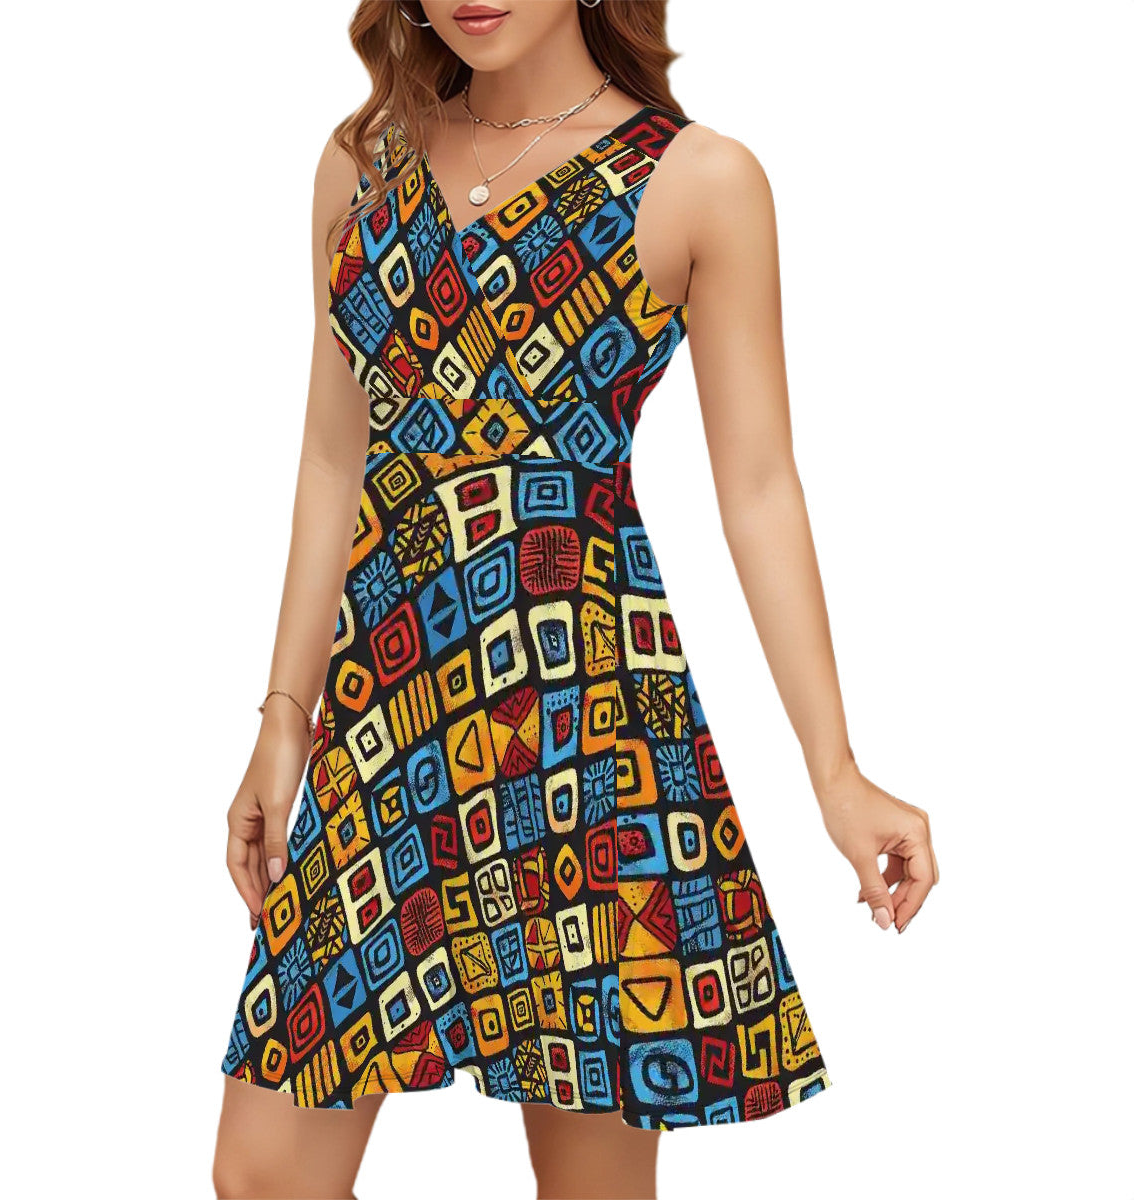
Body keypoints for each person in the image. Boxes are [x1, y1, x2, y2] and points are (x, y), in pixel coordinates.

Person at [211, 1, 940, 1197]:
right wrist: (283, 720)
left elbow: (759, 488)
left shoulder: (699, 181)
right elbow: (336, 456)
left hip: (578, 727)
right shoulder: (361, 168)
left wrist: (836, 769)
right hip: (386, 723)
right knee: (262, 1171)